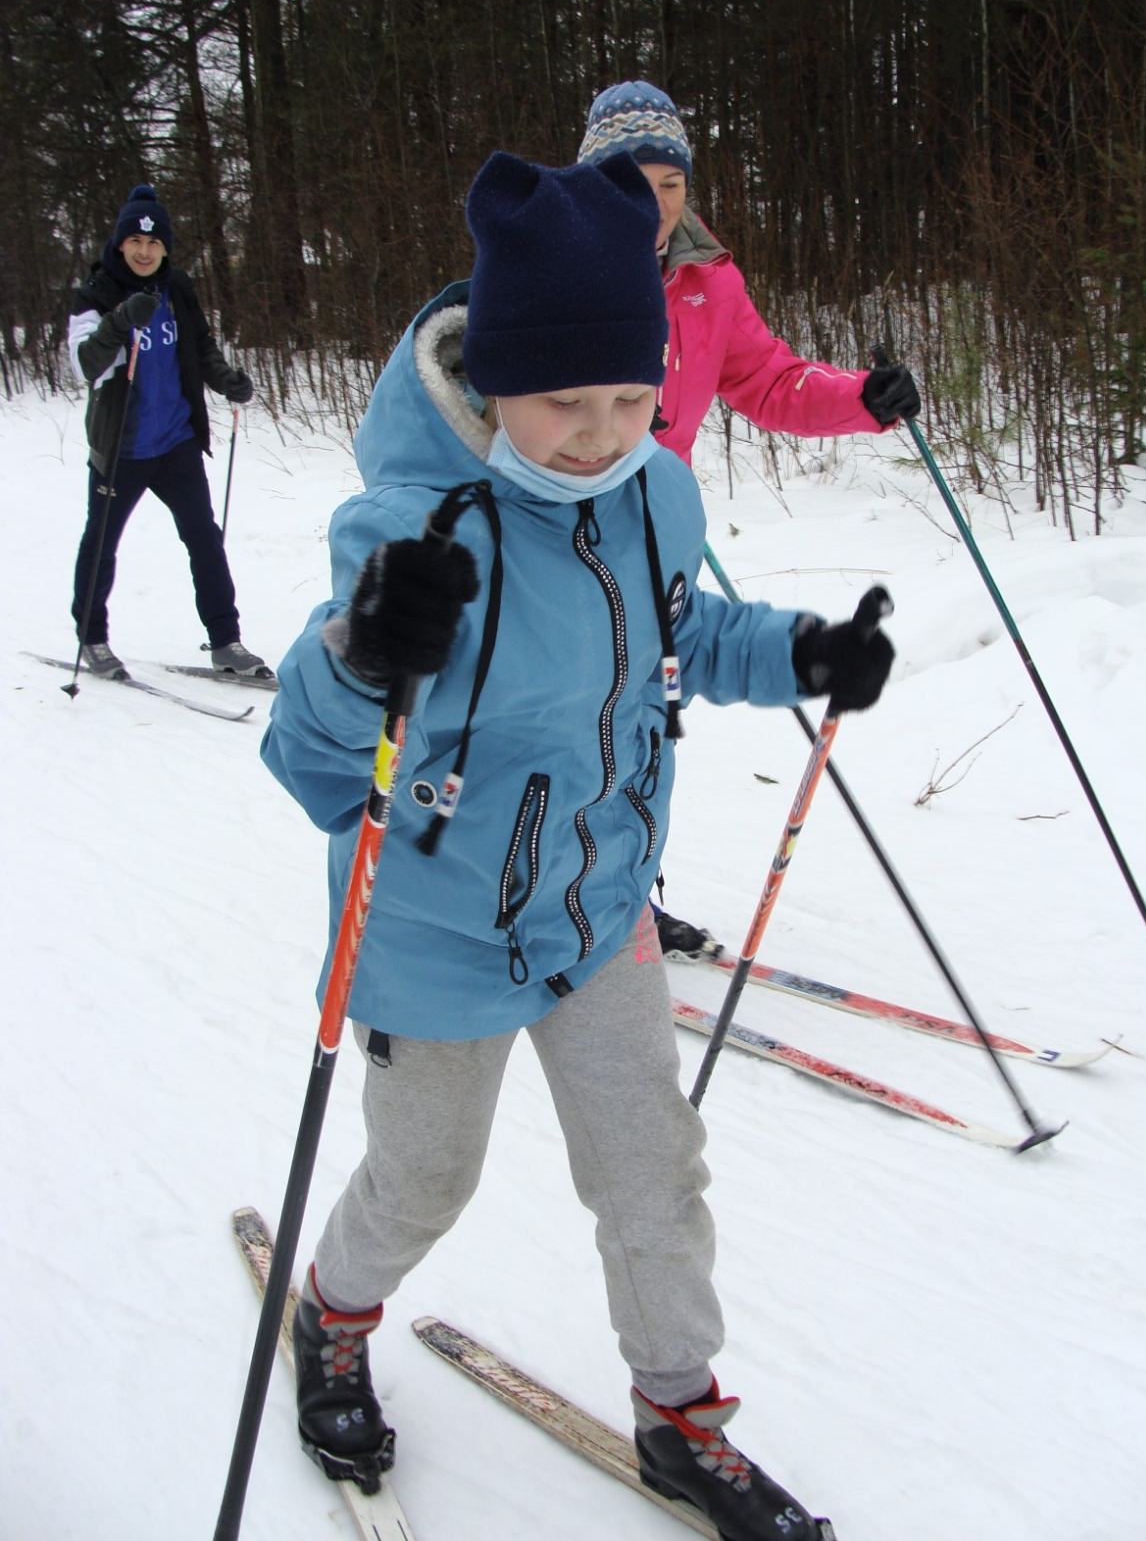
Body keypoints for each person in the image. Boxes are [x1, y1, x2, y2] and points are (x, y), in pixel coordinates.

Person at [261, 151, 892, 1539]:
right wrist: (362, 652)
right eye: (564, 403)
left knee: (653, 1170)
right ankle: (334, 1315)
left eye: (629, 396)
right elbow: (315, 761)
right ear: (495, 381)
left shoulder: (653, 490)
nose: (603, 435)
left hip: (598, 906)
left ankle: (682, 1417)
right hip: (436, 931)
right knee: (426, 1178)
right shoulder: (414, 533)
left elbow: (682, 632)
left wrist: (800, 651)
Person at [578, 80, 920, 959]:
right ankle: (557, 896)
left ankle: (628, 901)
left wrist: (862, 398)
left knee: (648, 723)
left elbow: (769, 379)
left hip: (657, 536)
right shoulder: (555, 269)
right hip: (562, 535)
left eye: (671, 183)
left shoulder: (707, 283)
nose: (656, 203)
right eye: (633, 182)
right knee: (577, 721)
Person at [67, 184, 271, 682]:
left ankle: (226, 641)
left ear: (165, 248)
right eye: (135, 241)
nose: (144, 252)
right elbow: (85, 365)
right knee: (101, 543)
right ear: (120, 243)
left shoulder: (176, 287)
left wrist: (225, 379)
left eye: (154, 243)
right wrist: (120, 320)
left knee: (205, 539)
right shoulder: (95, 295)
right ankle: (92, 638)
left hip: (176, 442)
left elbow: (199, 346)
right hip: (123, 448)